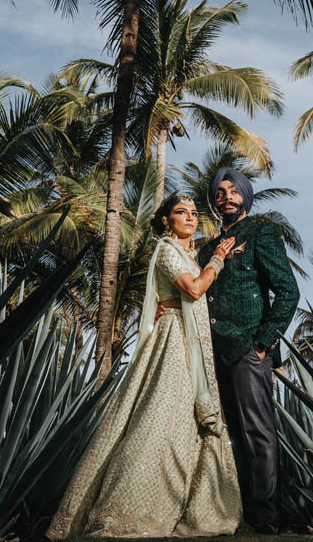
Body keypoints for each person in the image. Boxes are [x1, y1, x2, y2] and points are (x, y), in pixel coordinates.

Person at [47, 195, 242, 539]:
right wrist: (218, 260)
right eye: (181, 212)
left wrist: (216, 256)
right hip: (174, 342)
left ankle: (189, 505)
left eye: (195, 213)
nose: (190, 218)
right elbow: (195, 290)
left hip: (193, 344)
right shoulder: (167, 250)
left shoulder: (187, 254)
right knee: (156, 417)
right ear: (166, 220)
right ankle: (128, 510)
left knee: (184, 423)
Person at [197, 167, 299, 534]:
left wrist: (263, 343)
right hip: (214, 351)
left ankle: (266, 518)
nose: (226, 196)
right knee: (230, 435)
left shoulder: (261, 233)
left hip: (247, 350)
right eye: (220, 192)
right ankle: (237, 513)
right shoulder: (206, 249)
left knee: (258, 434)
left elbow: (288, 291)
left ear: (245, 195)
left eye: (233, 190)